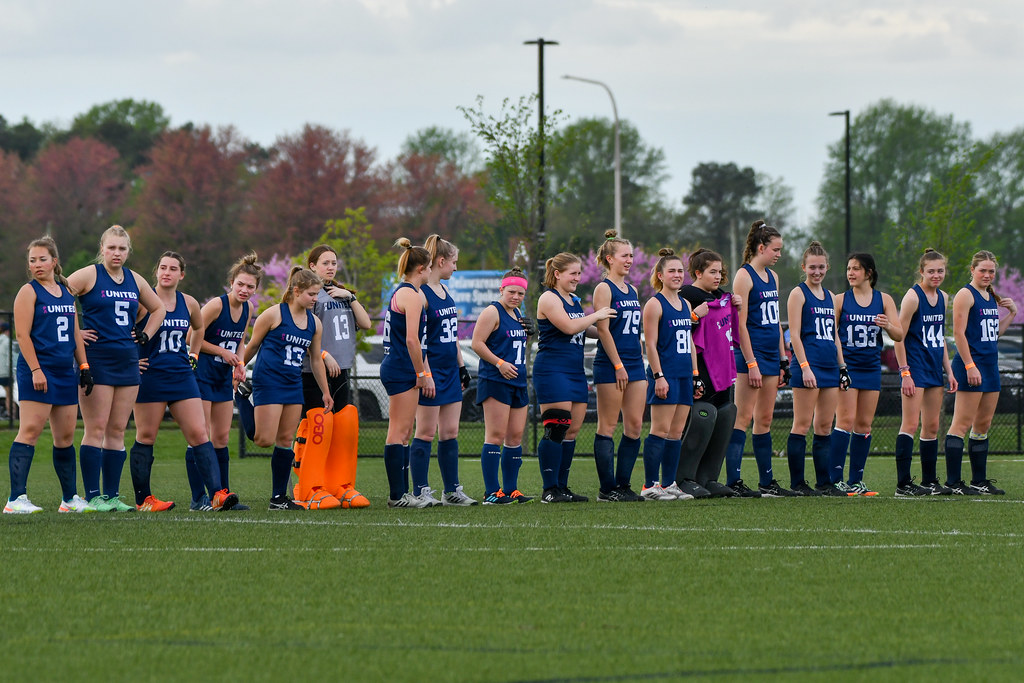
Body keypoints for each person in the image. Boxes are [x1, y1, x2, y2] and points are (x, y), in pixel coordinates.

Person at [128, 252, 238, 512]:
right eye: (163, 267)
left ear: (181, 274)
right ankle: (144, 499)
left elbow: (198, 329)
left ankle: (217, 494)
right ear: (156, 271)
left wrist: (194, 353)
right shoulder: (143, 302)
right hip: (150, 376)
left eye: (173, 268)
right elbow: (124, 330)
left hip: (182, 375)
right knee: (146, 435)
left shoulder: (188, 303)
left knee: (200, 434)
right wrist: (133, 360)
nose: (167, 272)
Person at [67, 225, 166, 512]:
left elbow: (159, 309)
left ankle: (111, 495)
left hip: (127, 361)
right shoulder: (89, 274)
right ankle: (93, 495)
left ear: (128, 251)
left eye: (122, 248)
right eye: (111, 247)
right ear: (102, 249)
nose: (116, 253)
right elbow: (59, 298)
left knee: (117, 429)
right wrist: (77, 333)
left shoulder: (135, 279)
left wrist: (145, 333)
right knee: (95, 428)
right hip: (96, 359)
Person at [4, 237, 95, 514]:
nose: (36, 265)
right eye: (32, 260)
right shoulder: (28, 292)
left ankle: (69, 499)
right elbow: (22, 335)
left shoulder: (67, 290)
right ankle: (15, 499)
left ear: (54, 261)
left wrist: (84, 366)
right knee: (30, 431)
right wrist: (35, 370)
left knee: (65, 436)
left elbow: (76, 333)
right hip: (38, 370)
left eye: (42, 259)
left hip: (64, 371)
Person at [243, 267, 333, 510]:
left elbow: (315, 359)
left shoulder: (314, 323)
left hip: (293, 384)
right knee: (263, 440)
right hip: (268, 380)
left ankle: (278, 499)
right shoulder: (273, 315)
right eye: (312, 294)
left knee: (285, 440)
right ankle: (242, 399)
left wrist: (325, 391)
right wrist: (239, 367)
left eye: (317, 294)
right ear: (296, 291)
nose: (316, 299)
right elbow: (252, 346)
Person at [534, 252, 616, 503]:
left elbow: (585, 328)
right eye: (573, 273)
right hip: (552, 370)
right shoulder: (549, 297)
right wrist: (598, 314)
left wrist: (607, 328)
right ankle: (549, 490)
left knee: (572, 431)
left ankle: (562, 486)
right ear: (557, 274)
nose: (578, 278)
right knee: (556, 427)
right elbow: (569, 326)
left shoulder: (572, 299)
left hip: (574, 371)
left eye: (580, 273)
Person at [294, 244, 371, 508]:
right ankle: (309, 486)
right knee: (318, 426)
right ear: (312, 266)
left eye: (334, 263)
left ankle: (339, 484)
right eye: (325, 263)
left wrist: (350, 297)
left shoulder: (342, 294)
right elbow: (300, 333)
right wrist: (324, 355)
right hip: (314, 370)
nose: (330, 267)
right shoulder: (311, 296)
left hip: (343, 368)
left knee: (342, 427)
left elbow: (367, 323)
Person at [406, 235, 478, 506]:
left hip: (449, 370)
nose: (455, 269)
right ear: (440, 261)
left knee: (450, 433)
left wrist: (461, 367)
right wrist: (425, 373)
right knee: (425, 432)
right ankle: (421, 489)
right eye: (454, 263)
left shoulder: (444, 292)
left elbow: (453, 337)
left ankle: (452, 490)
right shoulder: (420, 293)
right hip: (432, 371)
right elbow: (418, 339)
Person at [725, 220, 793, 497]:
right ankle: (734, 482)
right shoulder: (744, 275)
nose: (779, 254)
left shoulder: (773, 278)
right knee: (742, 417)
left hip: (769, 355)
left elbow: (775, 322)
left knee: (764, 419)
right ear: (761, 247)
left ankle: (767, 482)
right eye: (775, 249)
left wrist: (782, 360)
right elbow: (740, 325)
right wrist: (751, 362)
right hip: (748, 355)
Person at [829, 252, 903, 495]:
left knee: (864, 424)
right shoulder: (840, 300)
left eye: (856, 269)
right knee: (845, 421)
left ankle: (856, 481)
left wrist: (888, 325)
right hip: (848, 367)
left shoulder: (884, 300)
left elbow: (899, 335)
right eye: (848, 268)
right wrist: (840, 367)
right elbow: (832, 335)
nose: (850, 273)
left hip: (871, 367)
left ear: (868, 273)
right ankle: (835, 479)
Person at [943, 250, 1017, 495]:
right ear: (972, 270)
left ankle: (979, 481)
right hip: (970, 366)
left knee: (982, 425)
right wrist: (969, 365)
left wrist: (1013, 314)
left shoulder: (988, 296)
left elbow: (993, 335)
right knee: (961, 425)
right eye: (982, 270)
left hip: (989, 367)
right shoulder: (966, 294)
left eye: (991, 271)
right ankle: (953, 482)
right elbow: (959, 334)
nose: (987, 275)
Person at [194, 253, 261, 510]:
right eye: (240, 284)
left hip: (222, 377)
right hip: (201, 374)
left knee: (221, 437)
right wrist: (222, 352)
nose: (244, 290)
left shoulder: (248, 308)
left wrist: (240, 365)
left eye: (250, 287)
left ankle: (223, 495)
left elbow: (240, 340)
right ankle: (199, 497)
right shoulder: (215, 306)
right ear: (231, 282)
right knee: (201, 436)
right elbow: (192, 337)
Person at [784, 241, 847, 497]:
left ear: (827, 267)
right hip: (807, 367)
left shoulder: (831, 296)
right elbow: (794, 335)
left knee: (824, 426)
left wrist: (842, 367)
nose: (817, 272)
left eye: (821, 267)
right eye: (812, 267)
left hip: (829, 367)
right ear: (804, 267)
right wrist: (805, 367)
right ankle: (798, 483)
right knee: (801, 424)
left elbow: (835, 336)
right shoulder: (798, 294)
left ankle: (824, 482)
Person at [893, 249, 957, 496]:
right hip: (915, 367)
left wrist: (949, 371)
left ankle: (930, 481)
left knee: (931, 426)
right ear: (921, 271)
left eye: (940, 271)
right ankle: (903, 484)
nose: (936, 275)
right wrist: (905, 372)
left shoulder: (943, 297)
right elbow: (899, 337)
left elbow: (939, 338)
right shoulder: (912, 297)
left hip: (933, 368)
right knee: (910, 423)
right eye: (931, 271)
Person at [640, 249, 703, 501]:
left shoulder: (685, 304)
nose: (677, 275)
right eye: (672, 271)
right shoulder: (655, 304)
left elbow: (689, 342)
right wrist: (658, 376)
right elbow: (651, 345)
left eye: (680, 271)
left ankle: (669, 484)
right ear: (660, 275)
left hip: (684, 375)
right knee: (660, 430)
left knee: (676, 432)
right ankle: (650, 486)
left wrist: (695, 375)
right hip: (665, 375)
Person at [679, 249, 741, 498]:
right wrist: (694, 316)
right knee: (700, 420)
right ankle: (684, 477)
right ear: (697, 273)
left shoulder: (722, 299)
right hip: (700, 369)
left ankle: (708, 477)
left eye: (719, 271)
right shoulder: (686, 297)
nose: (718, 276)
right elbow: (677, 329)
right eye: (712, 272)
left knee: (724, 417)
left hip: (723, 369)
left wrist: (734, 303)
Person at [470, 267, 534, 505]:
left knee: (515, 436)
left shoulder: (518, 313)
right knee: (495, 435)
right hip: (496, 379)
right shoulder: (492, 311)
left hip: (517, 380)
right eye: (511, 292)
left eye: (520, 293)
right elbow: (477, 343)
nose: (516, 296)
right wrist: (499, 363)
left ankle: (511, 489)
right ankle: (491, 491)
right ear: (502, 289)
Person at [591, 231, 645, 502]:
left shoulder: (632, 289)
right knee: (608, 425)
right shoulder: (604, 288)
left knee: (634, 426)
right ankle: (607, 489)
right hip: (612, 365)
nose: (629, 260)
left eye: (631, 255)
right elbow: (603, 330)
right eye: (625, 256)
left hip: (635, 363)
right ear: (610, 259)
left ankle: (623, 485)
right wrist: (618, 365)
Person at [381, 238, 434, 508]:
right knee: (399, 431)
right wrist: (421, 373)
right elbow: (412, 341)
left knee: (404, 432)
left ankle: (402, 493)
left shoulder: (409, 292)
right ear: (422, 268)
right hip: (401, 367)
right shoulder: (410, 295)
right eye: (430, 268)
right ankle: (397, 495)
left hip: (400, 365)